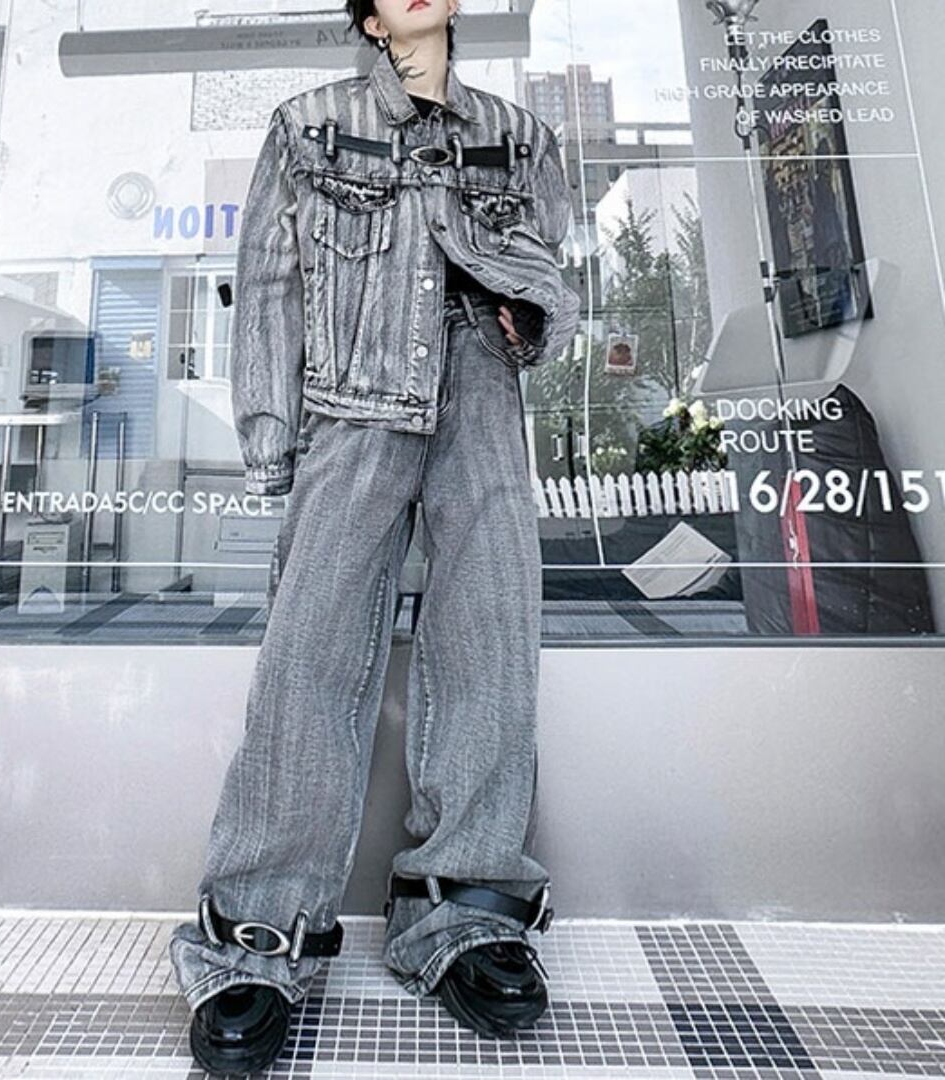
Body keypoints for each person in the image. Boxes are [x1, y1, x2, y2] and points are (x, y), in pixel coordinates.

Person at [168, 0, 580, 1074]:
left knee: (491, 646)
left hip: (482, 404)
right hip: (348, 409)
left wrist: (532, 310)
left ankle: (466, 908)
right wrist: (271, 437)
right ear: (364, 16)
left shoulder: (520, 135)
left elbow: (553, 269)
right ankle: (260, 930)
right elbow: (269, 287)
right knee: (309, 658)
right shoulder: (310, 124)